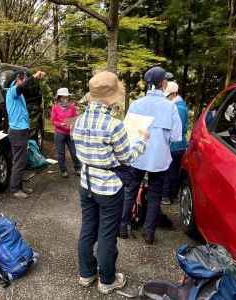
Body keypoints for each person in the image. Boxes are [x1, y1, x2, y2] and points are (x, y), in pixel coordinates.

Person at [73, 71, 148, 295]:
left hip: (86, 183)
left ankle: (86, 274)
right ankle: (107, 280)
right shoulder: (114, 125)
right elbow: (127, 157)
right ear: (111, 97)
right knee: (107, 234)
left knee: (88, 229)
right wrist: (142, 141)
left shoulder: (78, 120)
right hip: (108, 187)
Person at [120, 66, 182, 245]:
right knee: (155, 196)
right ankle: (149, 234)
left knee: (130, 190)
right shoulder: (170, 107)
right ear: (163, 83)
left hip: (137, 157)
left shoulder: (136, 104)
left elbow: (127, 131)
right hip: (159, 159)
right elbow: (177, 137)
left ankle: (122, 227)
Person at [6, 70, 46, 199]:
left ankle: (19, 186)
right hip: (17, 132)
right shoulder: (13, 91)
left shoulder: (18, 94)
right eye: (25, 79)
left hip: (20, 130)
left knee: (20, 160)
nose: (26, 82)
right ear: (18, 79)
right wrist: (34, 76)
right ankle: (15, 189)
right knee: (19, 161)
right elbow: (23, 86)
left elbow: (25, 87)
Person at [162, 81, 188, 205]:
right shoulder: (181, 105)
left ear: (174, 94)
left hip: (175, 145)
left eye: (168, 95)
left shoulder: (178, 107)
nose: (166, 97)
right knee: (173, 171)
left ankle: (168, 196)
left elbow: (180, 128)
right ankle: (172, 195)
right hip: (180, 145)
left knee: (169, 171)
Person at [51, 87, 81, 178]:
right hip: (59, 133)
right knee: (61, 153)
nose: (65, 99)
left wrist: (74, 122)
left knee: (74, 152)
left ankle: (77, 168)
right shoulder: (55, 108)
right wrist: (61, 124)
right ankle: (63, 170)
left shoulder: (72, 107)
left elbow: (75, 118)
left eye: (66, 97)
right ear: (59, 98)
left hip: (70, 133)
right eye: (63, 97)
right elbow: (53, 121)